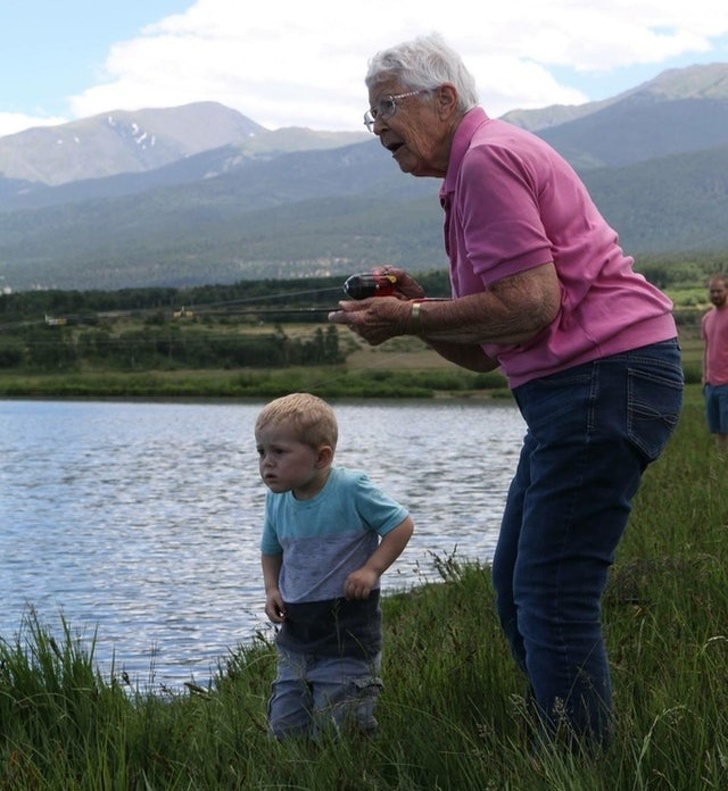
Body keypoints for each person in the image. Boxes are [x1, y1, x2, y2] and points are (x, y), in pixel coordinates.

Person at [329, 32, 684, 748]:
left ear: (445, 99)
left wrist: (413, 315)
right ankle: (560, 735)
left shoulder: (488, 160)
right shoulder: (470, 175)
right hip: (584, 387)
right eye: (371, 115)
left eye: (387, 107)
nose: (377, 128)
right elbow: (490, 354)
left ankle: (577, 759)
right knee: (517, 584)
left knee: (551, 594)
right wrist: (419, 316)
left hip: (601, 379)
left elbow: (532, 303)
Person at [255, 392, 414, 740]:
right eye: (261, 452)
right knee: (285, 730)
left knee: (340, 731)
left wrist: (371, 569)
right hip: (296, 640)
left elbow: (400, 525)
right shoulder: (276, 500)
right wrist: (271, 589)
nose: (267, 463)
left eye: (279, 452)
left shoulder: (350, 489)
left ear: (322, 456)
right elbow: (270, 550)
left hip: (348, 640)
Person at [701, 274, 728, 456]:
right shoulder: (707, 318)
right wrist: (705, 377)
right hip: (711, 385)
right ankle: (721, 470)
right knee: (717, 431)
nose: (715, 294)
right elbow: (707, 348)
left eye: (719, 291)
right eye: (712, 291)